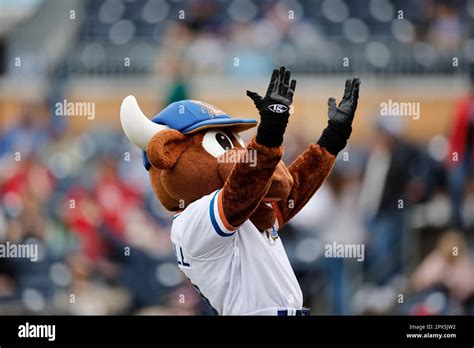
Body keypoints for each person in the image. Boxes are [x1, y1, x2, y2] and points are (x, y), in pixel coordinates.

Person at [120, 66, 360, 315]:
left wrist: (332, 139)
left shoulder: (245, 211)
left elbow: (289, 193)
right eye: (223, 141)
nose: (237, 150)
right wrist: (269, 134)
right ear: (169, 152)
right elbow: (241, 189)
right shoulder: (190, 221)